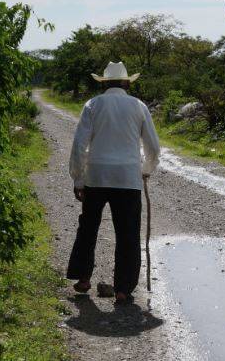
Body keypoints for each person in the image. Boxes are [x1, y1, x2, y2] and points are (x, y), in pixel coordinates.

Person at [66, 61, 161, 303]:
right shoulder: (138, 106)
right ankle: (122, 290)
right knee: (128, 233)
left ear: (104, 84)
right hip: (128, 179)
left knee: (88, 228)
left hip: (96, 177)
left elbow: (79, 145)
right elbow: (153, 147)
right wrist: (145, 170)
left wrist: (78, 179)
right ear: (128, 83)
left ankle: (84, 278)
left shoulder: (93, 105)